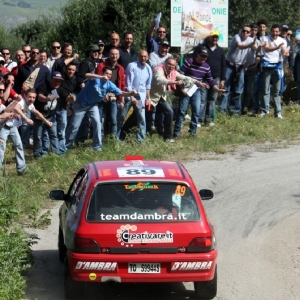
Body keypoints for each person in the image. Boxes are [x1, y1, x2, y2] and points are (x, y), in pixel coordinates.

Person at [65, 66, 137, 151]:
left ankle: (97, 147)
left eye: (110, 74)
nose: (108, 76)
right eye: (106, 73)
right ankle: (66, 146)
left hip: (93, 105)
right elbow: (86, 75)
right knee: (74, 126)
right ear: (102, 73)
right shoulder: (95, 79)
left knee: (97, 123)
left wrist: (130, 93)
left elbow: (121, 93)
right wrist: (100, 77)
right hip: (80, 105)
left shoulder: (109, 85)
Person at [174, 48, 225, 138]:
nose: (203, 58)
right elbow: (179, 75)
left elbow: (211, 81)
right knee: (182, 111)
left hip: (196, 90)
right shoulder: (189, 61)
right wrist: (181, 89)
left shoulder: (206, 66)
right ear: (197, 55)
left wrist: (218, 89)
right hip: (185, 89)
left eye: (205, 57)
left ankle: (193, 132)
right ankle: (176, 132)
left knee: (196, 111)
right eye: (202, 56)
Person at [219, 25, 257, 114]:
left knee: (238, 90)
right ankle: (222, 110)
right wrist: (251, 45)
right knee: (226, 88)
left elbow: (256, 49)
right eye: (243, 31)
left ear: (250, 33)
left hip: (241, 67)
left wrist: (260, 47)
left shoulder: (251, 40)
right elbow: (240, 46)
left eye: (247, 32)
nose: (245, 33)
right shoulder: (237, 37)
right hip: (230, 66)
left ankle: (235, 110)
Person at [117, 50, 152, 142]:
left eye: (145, 56)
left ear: (147, 57)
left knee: (141, 118)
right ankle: (116, 138)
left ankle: (141, 140)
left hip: (140, 97)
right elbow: (128, 83)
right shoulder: (132, 66)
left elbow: (148, 86)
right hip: (129, 95)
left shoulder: (148, 68)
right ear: (138, 56)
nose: (143, 58)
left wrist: (148, 98)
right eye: (141, 56)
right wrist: (131, 97)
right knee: (121, 117)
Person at [193, 30, 226, 126]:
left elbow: (223, 65)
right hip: (203, 79)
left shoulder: (220, 50)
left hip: (215, 78)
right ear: (209, 38)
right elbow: (195, 59)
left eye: (216, 37)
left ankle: (209, 119)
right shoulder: (202, 48)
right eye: (213, 37)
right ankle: (199, 120)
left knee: (212, 100)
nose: (215, 39)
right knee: (202, 100)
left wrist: (223, 79)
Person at [259, 24, 289, 118]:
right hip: (267, 66)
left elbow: (284, 48)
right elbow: (266, 49)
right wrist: (277, 48)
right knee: (265, 90)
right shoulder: (265, 38)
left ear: (279, 32)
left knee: (276, 91)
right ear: (271, 31)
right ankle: (264, 110)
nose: (275, 33)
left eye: (277, 31)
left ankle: (278, 112)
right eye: (273, 31)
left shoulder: (282, 40)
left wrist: (285, 52)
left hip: (278, 67)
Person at [96, 48, 125, 137]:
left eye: (116, 54)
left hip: (113, 97)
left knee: (113, 120)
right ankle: (99, 139)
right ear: (109, 55)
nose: (114, 56)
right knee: (99, 119)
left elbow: (122, 85)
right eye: (112, 54)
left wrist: (122, 100)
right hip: (101, 96)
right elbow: (96, 81)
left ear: (119, 56)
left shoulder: (120, 68)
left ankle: (113, 141)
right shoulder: (101, 66)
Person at [34, 72, 64, 158]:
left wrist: (71, 98)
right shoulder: (43, 86)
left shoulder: (60, 89)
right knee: (38, 136)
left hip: (51, 117)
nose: (57, 82)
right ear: (51, 79)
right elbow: (39, 96)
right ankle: (37, 154)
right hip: (39, 116)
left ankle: (56, 152)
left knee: (53, 135)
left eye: (59, 81)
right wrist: (47, 99)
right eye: (56, 80)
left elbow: (66, 97)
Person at [0, 99, 29, 175]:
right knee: (1, 149)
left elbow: (7, 112)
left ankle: (21, 168)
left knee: (19, 145)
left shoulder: (2, 106)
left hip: (12, 126)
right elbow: (1, 120)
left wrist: (13, 115)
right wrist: (7, 117)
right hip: (3, 128)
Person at [56, 63, 77, 153]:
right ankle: (55, 148)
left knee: (62, 129)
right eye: (69, 69)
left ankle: (61, 149)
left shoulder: (74, 80)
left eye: (73, 70)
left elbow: (70, 96)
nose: (71, 71)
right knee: (53, 130)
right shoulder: (61, 79)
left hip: (63, 107)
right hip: (54, 107)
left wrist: (68, 107)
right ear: (65, 69)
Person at [242, 24, 261, 114]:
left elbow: (259, 55)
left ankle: (254, 108)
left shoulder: (258, 41)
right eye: (252, 30)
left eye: (255, 30)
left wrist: (256, 65)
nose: (253, 32)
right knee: (245, 90)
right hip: (243, 67)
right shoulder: (244, 40)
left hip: (253, 67)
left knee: (254, 89)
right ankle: (244, 108)